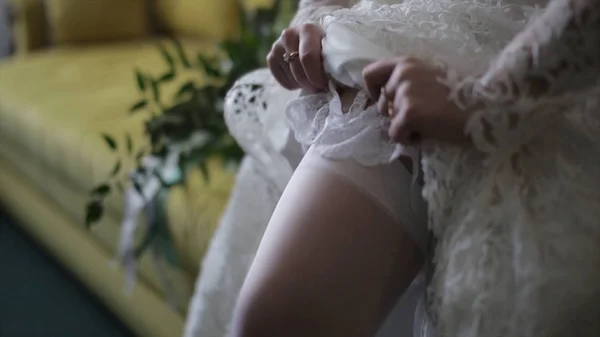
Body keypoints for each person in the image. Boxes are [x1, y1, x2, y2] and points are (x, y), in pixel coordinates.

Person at [231, 0, 600, 337]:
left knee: (281, 319)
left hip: (528, 59)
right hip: (375, 41)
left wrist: (495, 99)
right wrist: (318, 20)